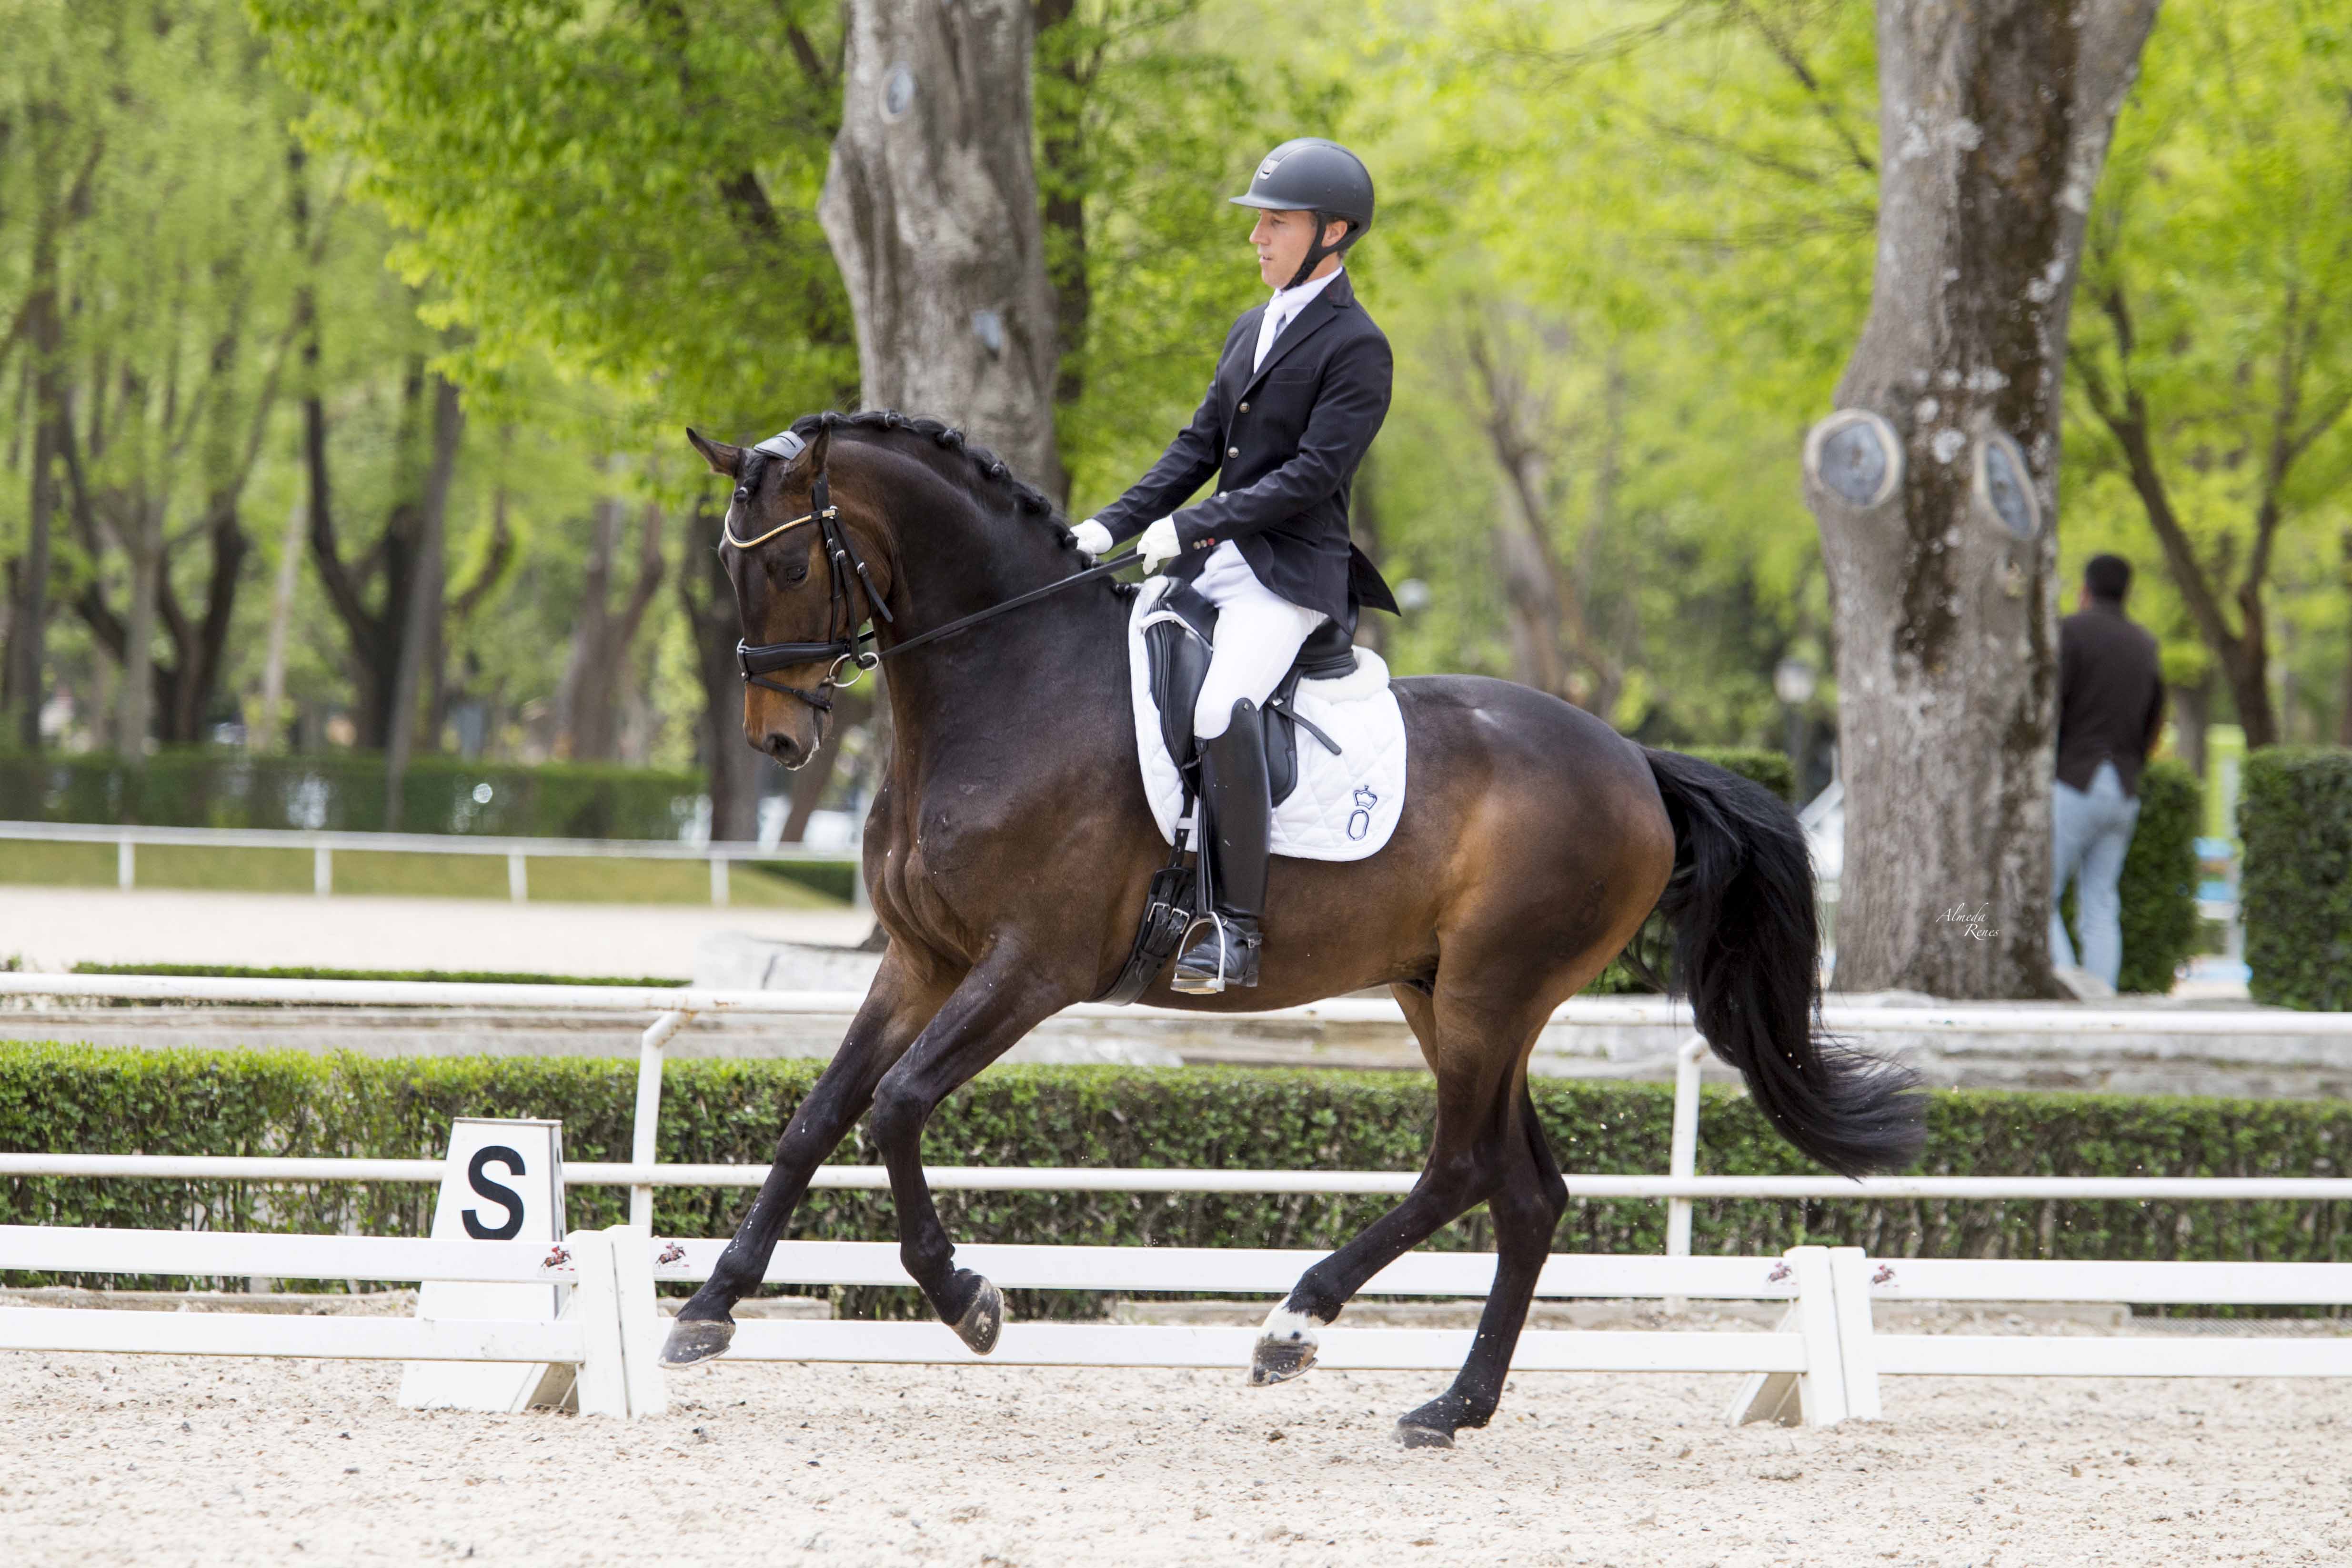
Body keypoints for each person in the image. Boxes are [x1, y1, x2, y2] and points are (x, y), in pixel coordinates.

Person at [1069, 137, 1398, 994]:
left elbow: (1311, 476)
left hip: (1289, 579)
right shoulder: (1251, 327)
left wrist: (1196, 526)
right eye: (1257, 222)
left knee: (1222, 704)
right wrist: (1108, 526)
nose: (1256, 238)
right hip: (1213, 562)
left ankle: (1233, 927)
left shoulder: (1358, 346)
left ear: (1333, 233)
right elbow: (1195, 447)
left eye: (1275, 224)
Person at [2050, 553, 2166, 990]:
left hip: (2075, 779)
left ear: (2085, 589)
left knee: (2040, 899)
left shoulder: (2071, 632)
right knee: (2101, 904)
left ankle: (2067, 990)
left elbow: (2051, 706)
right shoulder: (2145, 643)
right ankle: (2102, 999)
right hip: (2124, 787)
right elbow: (2155, 718)